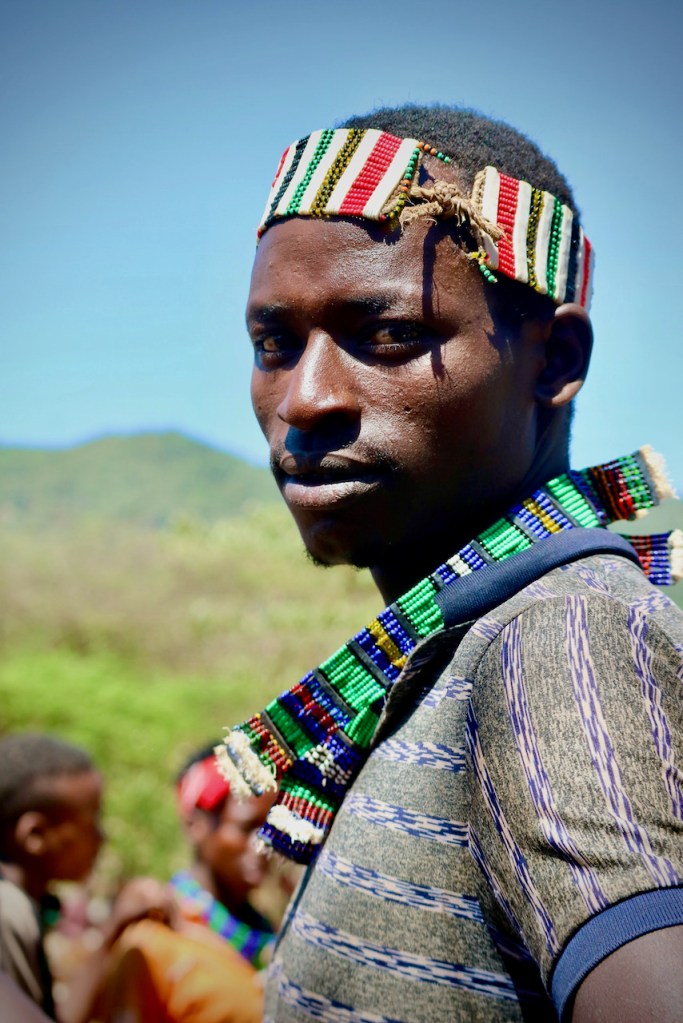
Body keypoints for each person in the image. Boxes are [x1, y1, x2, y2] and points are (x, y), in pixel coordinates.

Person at [216, 105, 683, 1022]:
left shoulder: (558, 636)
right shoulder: (446, 652)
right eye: (275, 345)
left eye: (387, 333)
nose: (304, 399)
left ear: (553, 361)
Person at [0, 732, 175, 1022]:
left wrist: (114, 926)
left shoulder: (25, 904)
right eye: (91, 819)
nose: (101, 836)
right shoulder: (9, 911)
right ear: (36, 835)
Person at [96, 745, 276, 1023]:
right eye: (246, 827)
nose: (265, 843)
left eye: (272, 828)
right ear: (196, 825)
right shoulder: (156, 938)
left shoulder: (270, 936)